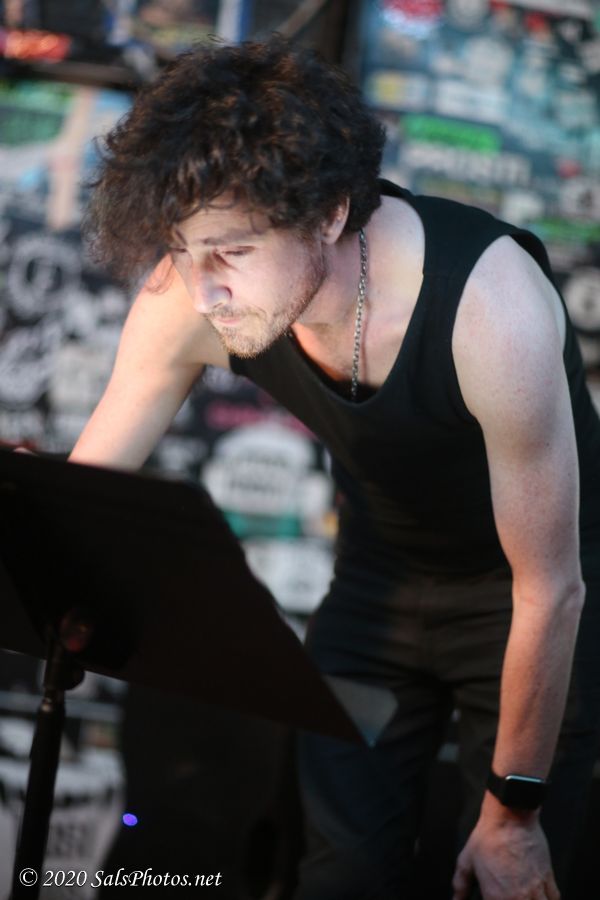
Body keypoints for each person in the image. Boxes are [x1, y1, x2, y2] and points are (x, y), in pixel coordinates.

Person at [70, 36, 600, 900]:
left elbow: (552, 587)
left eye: (232, 253)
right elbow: (84, 499)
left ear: (327, 214)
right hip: (378, 586)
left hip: (534, 596)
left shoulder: (490, 307)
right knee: (340, 876)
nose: (201, 290)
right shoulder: (191, 293)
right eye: (183, 249)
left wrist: (513, 815)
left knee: (502, 877)